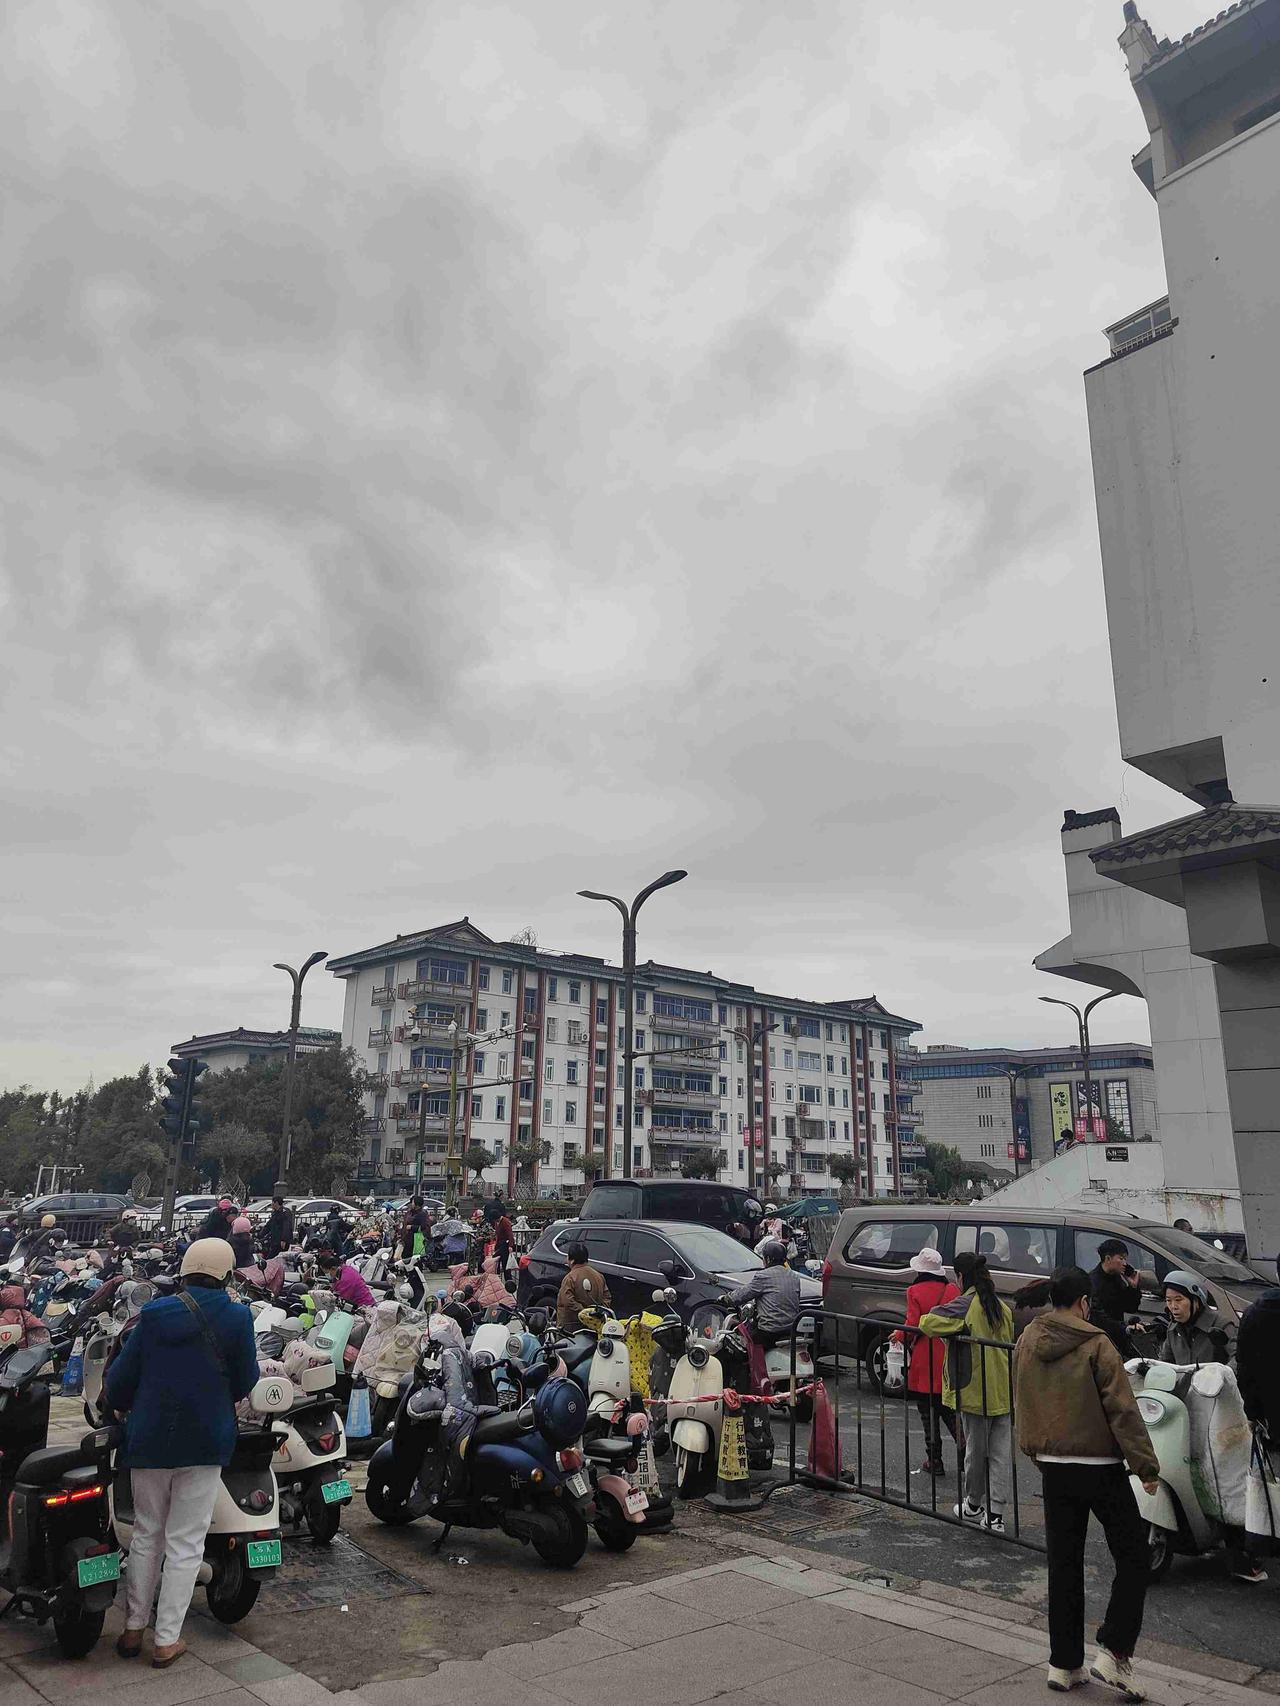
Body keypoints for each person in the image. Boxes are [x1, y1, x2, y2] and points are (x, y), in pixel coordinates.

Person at [103, 1237, 258, 1667]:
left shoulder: (152, 1314)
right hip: (205, 1441)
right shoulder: (237, 1316)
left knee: (147, 1534)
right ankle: (166, 1639)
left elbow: (118, 1381)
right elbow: (246, 1380)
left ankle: (133, 1628)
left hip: (149, 1439)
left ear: (185, 1271)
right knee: (185, 1541)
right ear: (226, 1274)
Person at [1013, 1265, 1159, 1699]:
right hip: (1098, 1465)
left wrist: (1035, 1450)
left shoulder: (1027, 1341)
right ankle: (1114, 1651)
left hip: (1053, 1466)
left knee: (1064, 1563)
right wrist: (1146, 1467)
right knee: (1134, 1554)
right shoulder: (1097, 1344)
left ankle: (1064, 1664)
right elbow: (1123, 1411)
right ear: (1083, 1303)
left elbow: (1023, 1399)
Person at [920, 1250, 1015, 1534]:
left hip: (974, 1390)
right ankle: (995, 1515)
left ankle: (973, 1503)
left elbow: (928, 1322)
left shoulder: (965, 1305)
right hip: (1002, 1391)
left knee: (975, 1451)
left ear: (961, 1277)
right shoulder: (1002, 1307)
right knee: (999, 1455)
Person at [891, 1248, 960, 1474]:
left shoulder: (914, 1291)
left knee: (927, 1414)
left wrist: (898, 1335)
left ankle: (935, 1461)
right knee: (949, 1410)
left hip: (924, 1356)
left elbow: (912, 1324)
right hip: (947, 1353)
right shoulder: (952, 1289)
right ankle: (965, 1452)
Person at [727, 1239, 804, 1350]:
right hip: (791, 1328)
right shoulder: (794, 1276)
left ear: (767, 1259)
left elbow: (743, 1294)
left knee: (741, 1344)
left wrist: (727, 1298)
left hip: (770, 1331)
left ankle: (756, 1367)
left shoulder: (763, 1276)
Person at [1153, 1270, 1232, 1365]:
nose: (1173, 1306)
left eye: (1178, 1300)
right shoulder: (1173, 1328)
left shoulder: (1221, 1324)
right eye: (1169, 1300)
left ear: (1196, 1301)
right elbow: (1165, 1362)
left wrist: (1221, 1373)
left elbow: (1239, 1359)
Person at [1090, 1240, 1143, 1357]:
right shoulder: (1093, 1282)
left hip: (1118, 1338)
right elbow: (1098, 1318)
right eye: (1121, 1258)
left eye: (1125, 1259)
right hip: (1101, 1341)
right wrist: (1124, 1328)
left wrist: (1133, 1287)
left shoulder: (1117, 1278)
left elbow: (1131, 1307)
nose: (1125, 1263)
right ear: (1108, 1258)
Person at [556, 1241, 611, 1331]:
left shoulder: (570, 1278)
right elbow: (607, 1297)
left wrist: (584, 1313)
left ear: (572, 1260)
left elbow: (567, 1301)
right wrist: (597, 1312)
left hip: (571, 1327)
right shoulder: (598, 1276)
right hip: (595, 1326)